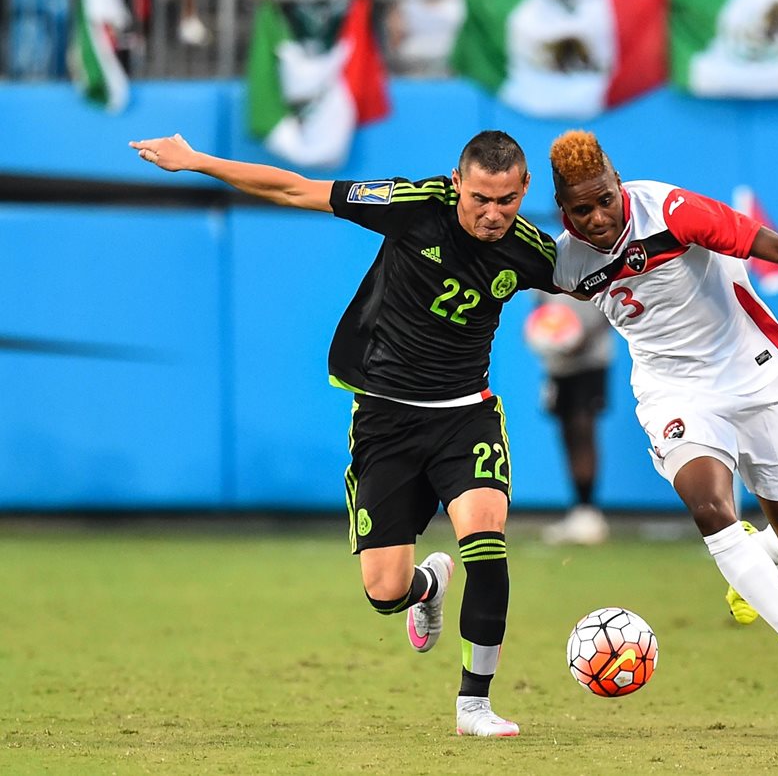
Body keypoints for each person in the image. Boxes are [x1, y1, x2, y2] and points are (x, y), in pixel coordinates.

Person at [129, 130, 558, 736]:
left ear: (525, 190)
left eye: (507, 201)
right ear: (457, 182)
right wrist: (197, 160)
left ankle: (474, 706)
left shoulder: (532, 251)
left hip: (467, 412)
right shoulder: (413, 207)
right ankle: (429, 583)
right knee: (385, 591)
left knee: (486, 542)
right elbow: (293, 187)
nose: (493, 215)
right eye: (481, 198)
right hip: (384, 418)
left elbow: (608, 277)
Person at [547, 129, 778, 713]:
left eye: (604, 200)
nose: (596, 217)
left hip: (755, 378)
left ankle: (751, 561)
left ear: (618, 185)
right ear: (564, 210)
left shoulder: (673, 211)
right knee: (713, 507)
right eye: (581, 209)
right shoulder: (560, 261)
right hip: (673, 394)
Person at [525, 292, 614, 545]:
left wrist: (584, 338)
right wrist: (538, 332)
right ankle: (579, 510)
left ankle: (589, 511)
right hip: (557, 361)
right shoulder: (550, 256)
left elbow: (612, 307)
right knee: (566, 431)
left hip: (591, 357)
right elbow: (541, 305)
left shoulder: (597, 254)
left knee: (584, 428)